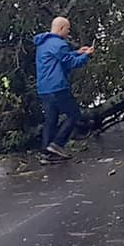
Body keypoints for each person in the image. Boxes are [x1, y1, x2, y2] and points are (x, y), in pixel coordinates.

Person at [34, 16, 94, 160]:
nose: (68, 32)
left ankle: (46, 153)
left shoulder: (43, 43)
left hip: (44, 89)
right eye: (67, 29)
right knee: (74, 115)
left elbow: (60, 57)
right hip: (58, 87)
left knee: (51, 120)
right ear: (61, 28)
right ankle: (57, 144)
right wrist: (86, 56)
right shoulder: (60, 44)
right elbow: (71, 63)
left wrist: (78, 52)